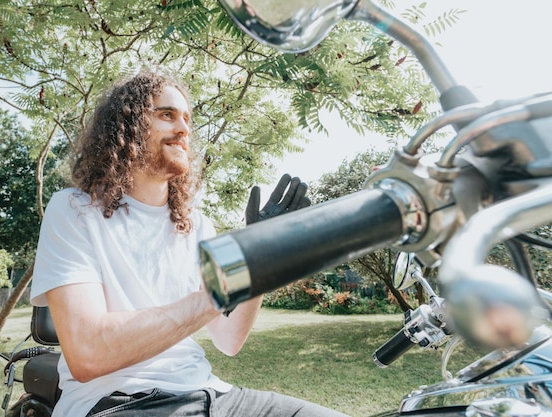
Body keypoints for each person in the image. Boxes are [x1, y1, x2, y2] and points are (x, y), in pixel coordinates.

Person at [30, 68, 347, 417]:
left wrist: (260, 258)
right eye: (167, 115)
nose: (184, 129)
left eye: (187, 118)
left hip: (210, 393)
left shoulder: (196, 222)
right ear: (126, 125)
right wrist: (223, 288)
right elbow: (88, 354)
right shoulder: (72, 209)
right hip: (119, 402)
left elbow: (229, 340)